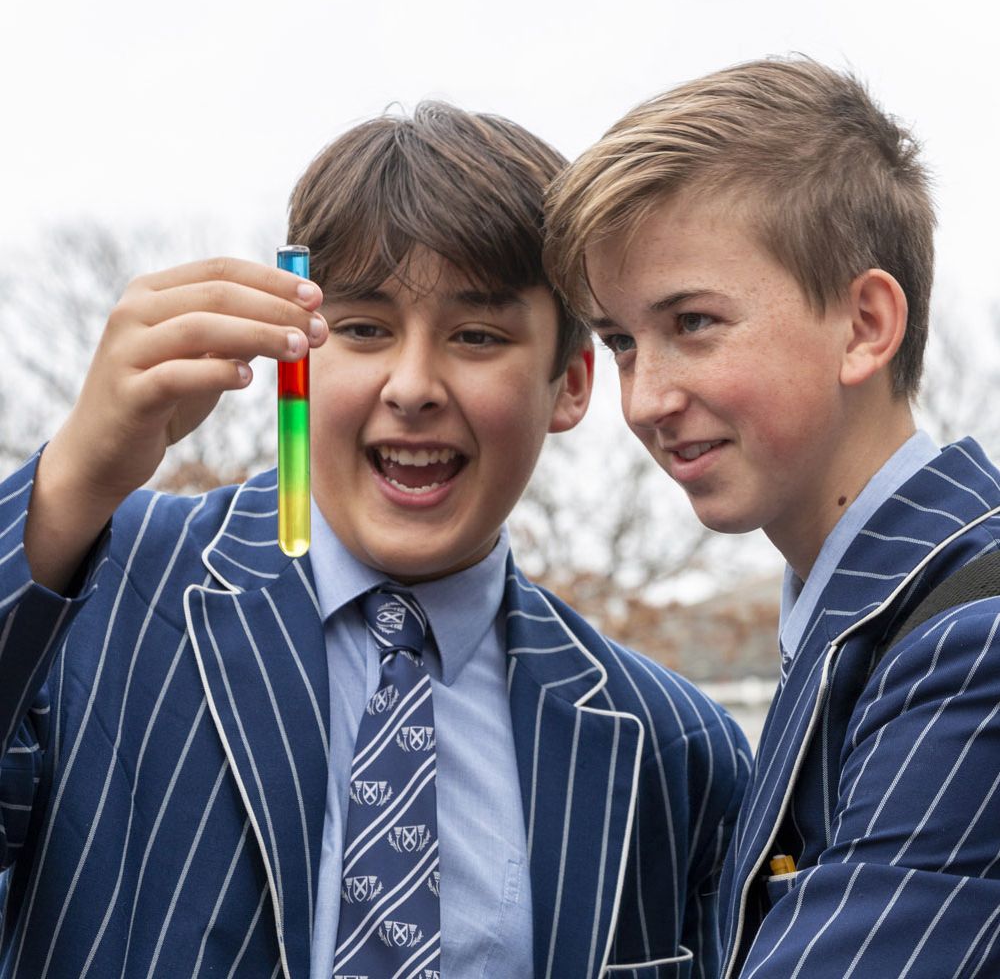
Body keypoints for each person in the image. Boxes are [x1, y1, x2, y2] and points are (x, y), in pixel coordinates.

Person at [0, 103, 750, 979]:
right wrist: (69, 486)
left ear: (571, 384)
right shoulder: (102, 583)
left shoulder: (674, 752)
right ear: (293, 358)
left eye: (478, 335)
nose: (414, 384)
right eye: (361, 329)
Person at [543, 57, 1000, 978]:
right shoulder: (867, 617)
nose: (644, 399)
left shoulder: (972, 645)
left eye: (695, 323)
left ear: (867, 325)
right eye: (622, 342)